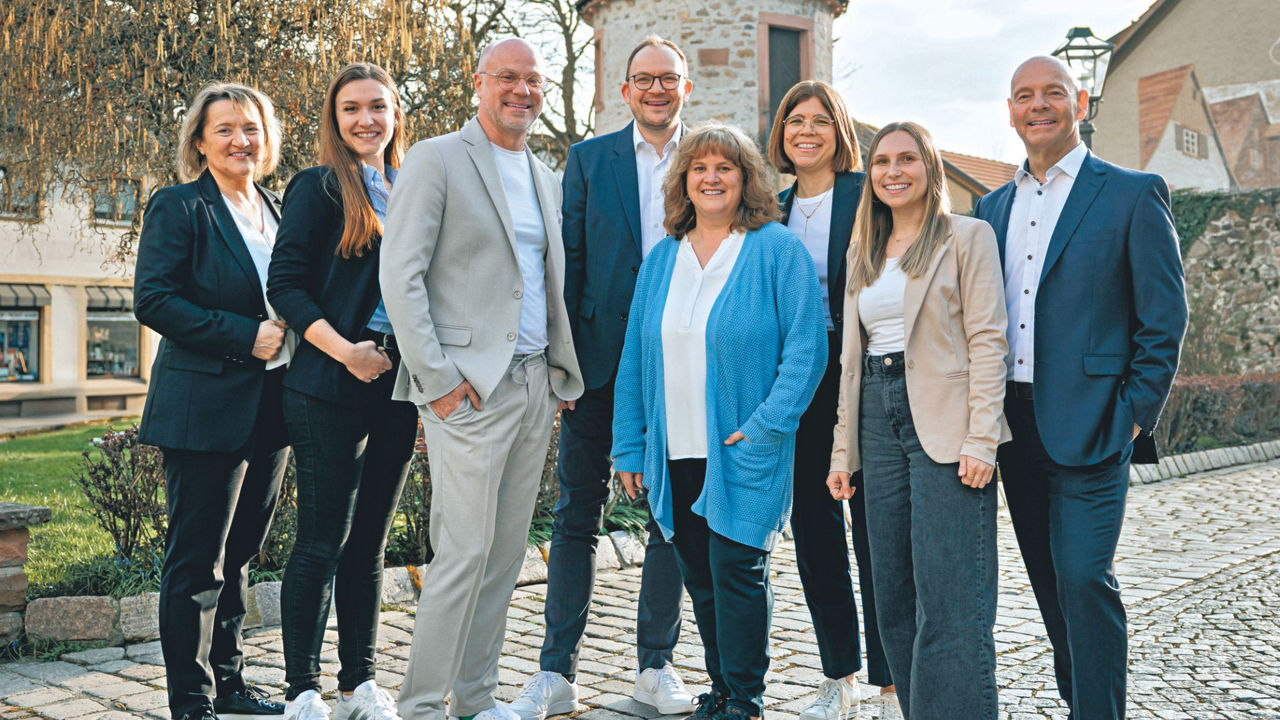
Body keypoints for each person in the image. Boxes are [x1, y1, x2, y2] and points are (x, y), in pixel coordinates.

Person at [974, 56, 1187, 720]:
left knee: (1084, 577)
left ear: (1081, 102)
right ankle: (1080, 700)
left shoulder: (1131, 192)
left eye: (1053, 94)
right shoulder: (989, 208)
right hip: (1016, 423)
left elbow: (1164, 315)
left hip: (1097, 420)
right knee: (1047, 581)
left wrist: (1134, 414)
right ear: (1010, 110)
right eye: (1024, 96)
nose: (1039, 106)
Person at [380, 38, 585, 720]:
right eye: (507, 78)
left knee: (503, 558)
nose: (521, 90)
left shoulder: (543, 173)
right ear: (479, 84)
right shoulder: (437, 158)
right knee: (462, 554)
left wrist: (557, 377)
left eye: (533, 80)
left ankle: (475, 700)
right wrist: (436, 379)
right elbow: (400, 276)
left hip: (533, 387)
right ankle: (418, 707)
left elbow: (544, 283)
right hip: (465, 390)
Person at [613, 124, 827, 720]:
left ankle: (747, 698)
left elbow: (806, 348)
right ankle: (722, 691)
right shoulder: (661, 260)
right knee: (699, 577)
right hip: (673, 445)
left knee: (737, 572)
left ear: (746, 179)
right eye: (699, 168)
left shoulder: (775, 250)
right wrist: (630, 444)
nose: (711, 178)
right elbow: (635, 358)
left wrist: (766, 425)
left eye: (725, 168)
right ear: (683, 180)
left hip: (741, 444)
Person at [509, 35, 695, 720]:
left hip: (682, 367)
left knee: (667, 520)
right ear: (624, 90)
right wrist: (564, 367)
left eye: (667, 79)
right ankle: (556, 671)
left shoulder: (712, 160)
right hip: (596, 367)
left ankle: (655, 667)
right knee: (576, 516)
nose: (655, 89)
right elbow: (568, 269)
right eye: (643, 78)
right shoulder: (588, 161)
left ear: (686, 88)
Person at [826, 121, 1010, 720]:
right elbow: (850, 363)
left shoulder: (968, 236)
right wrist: (841, 453)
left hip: (947, 424)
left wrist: (982, 439)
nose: (893, 171)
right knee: (894, 597)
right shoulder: (862, 252)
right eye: (882, 161)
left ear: (930, 169)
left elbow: (988, 341)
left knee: (952, 597)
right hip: (876, 422)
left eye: (908, 159)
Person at [134, 82, 290, 720]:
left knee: (242, 555)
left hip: (273, 409)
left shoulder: (278, 208)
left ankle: (230, 683)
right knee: (198, 560)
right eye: (224, 128)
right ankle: (191, 700)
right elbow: (154, 299)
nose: (240, 140)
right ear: (199, 140)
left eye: (250, 128)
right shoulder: (179, 206)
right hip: (203, 409)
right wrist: (242, 336)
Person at [266, 62, 416, 720]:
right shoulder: (319, 187)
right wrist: (346, 352)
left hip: (396, 389)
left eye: (378, 107)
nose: (366, 120)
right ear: (334, 118)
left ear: (394, 115)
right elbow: (287, 284)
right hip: (328, 382)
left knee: (370, 544)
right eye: (352, 108)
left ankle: (360, 682)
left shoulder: (412, 188)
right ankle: (302, 687)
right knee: (320, 539)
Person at [766, 80, 895, 720]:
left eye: (820, 120)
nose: (806, 131)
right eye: (795, 121)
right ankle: (837, 673)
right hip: (801, 383)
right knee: (816, 532)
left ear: (838, 130)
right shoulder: (771, 207)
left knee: (875, 527)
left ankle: (893, 678)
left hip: (866, 377)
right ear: (781, 132)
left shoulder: (866, 194)